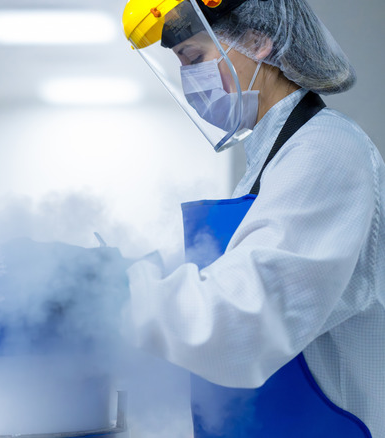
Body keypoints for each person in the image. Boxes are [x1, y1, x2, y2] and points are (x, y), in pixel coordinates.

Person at [122, 0, 384, 436]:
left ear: (258, 41)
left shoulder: (325, 149)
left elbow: (241, 322)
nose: (191, 82)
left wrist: (114, 292)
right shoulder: (271, 164)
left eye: (194, 58)